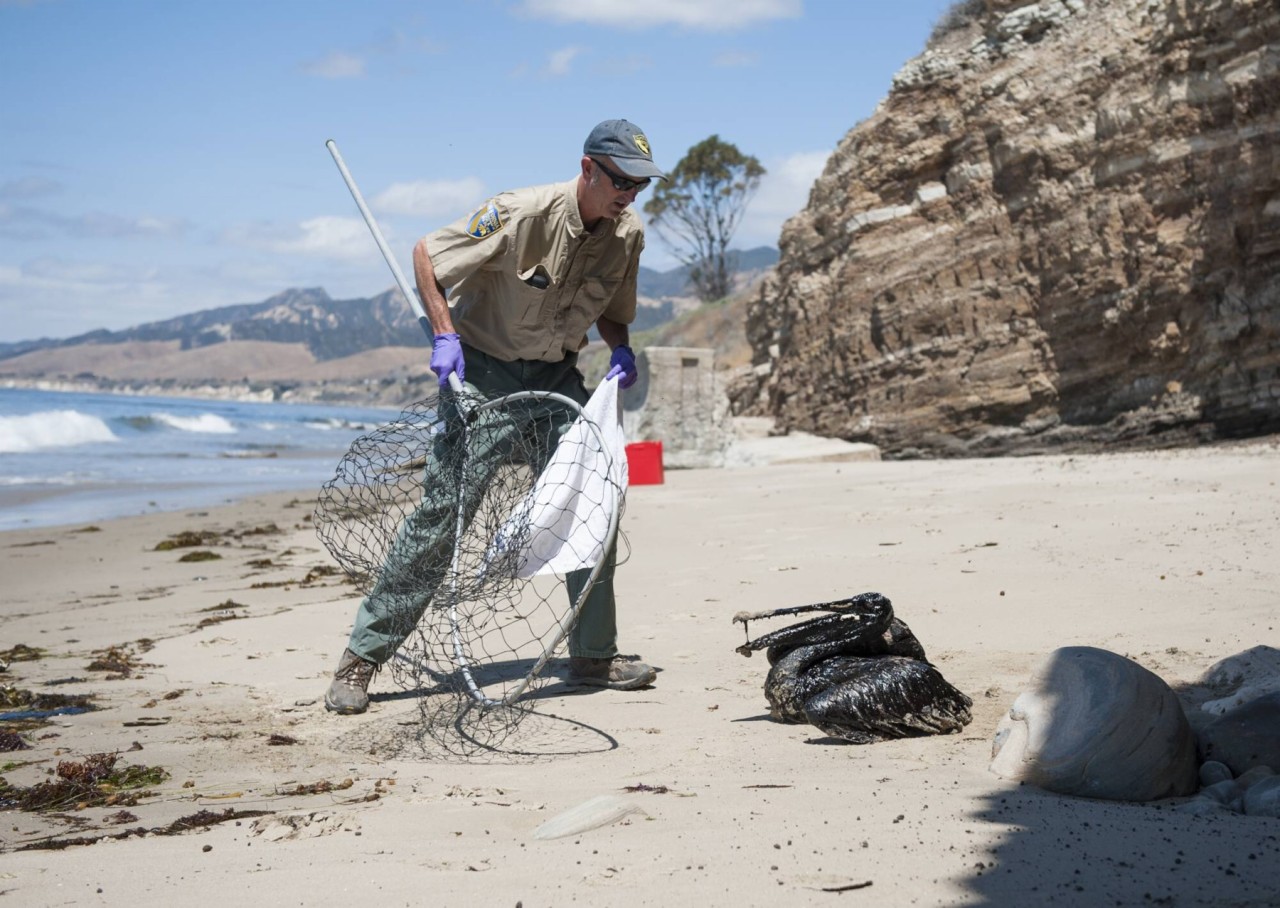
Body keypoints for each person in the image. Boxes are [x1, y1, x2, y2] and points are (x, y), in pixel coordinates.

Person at [325, 119, 666, 715]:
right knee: (443, 517)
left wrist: (620, 347)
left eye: (639, 185)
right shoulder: (518, 213)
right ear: (588, 168)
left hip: (558, 379)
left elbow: (614, 309)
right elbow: (427, 254)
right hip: (485, 374)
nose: (628, 195)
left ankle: (593, 654)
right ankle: (362, 659)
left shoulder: (627, 233)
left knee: (594, 506)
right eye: (620, 181)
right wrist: (444, 334)